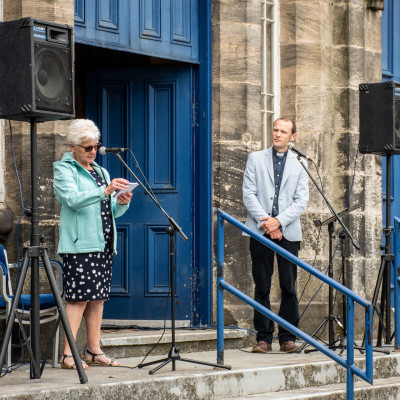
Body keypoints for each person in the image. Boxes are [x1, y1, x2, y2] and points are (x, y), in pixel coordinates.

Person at [53, 119, 132, 369]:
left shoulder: (100, 171)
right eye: (87, 147)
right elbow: (72, 200)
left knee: (98, 299)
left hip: (104, 243)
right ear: (72, 146)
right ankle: (67, 354)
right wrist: (105, 192)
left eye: (95, 146)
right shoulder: (63, 169)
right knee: (78, 299)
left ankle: (94, 351)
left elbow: (109, 211)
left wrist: (121, 202)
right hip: (80, 245)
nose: (92, 151)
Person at [242, 117, 309, 353]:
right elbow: (248, 194)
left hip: (288, 232)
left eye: (283, 131)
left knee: (288, 285)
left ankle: (287, 338)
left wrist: (279, 221)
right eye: (275, 129)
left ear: (293, 137)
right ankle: (263, 338)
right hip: (260, 231)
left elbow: (301, 201)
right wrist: (268, 223)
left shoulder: (300, 163)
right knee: (262, 285)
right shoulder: (255, 159)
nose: (277, 134)